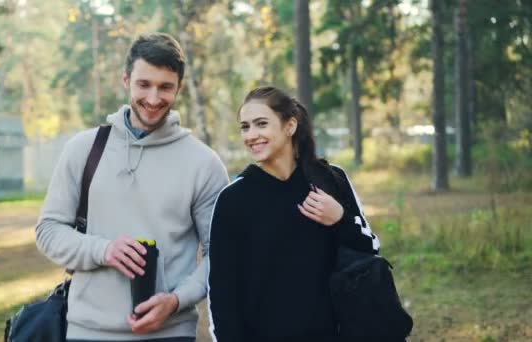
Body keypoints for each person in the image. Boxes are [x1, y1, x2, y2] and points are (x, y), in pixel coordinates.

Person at [36, 33, 229, 342]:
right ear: (126, 79)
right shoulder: (84, 148)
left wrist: (177, 300)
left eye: (165, 87)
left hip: (170, 334)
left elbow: (222, 255)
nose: (153, 99)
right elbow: (48, 230)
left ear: (179, 87)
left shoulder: (203, 163)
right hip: (87, 333)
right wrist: (105, 250)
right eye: (144, 84)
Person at [207, 86, 381, 342]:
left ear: (290, 126)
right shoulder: (233, 200)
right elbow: (222, 294)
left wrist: (340, 219)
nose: (251, 135)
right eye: (245, 127)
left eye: (261, 124)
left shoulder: (331, 180)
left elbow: (370, 250)